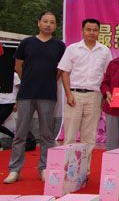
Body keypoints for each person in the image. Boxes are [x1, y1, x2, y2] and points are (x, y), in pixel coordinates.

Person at [4, 11, 66, 184]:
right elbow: (18, 65)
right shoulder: (27, 42)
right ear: (38, 23)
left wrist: (49, 81)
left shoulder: (59, 46)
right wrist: (27, 80)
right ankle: (14, 170)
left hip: (48, 94)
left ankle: (44, 168)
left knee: (47, 135)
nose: (48, 24)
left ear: (56, 26)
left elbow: (61, 69)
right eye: (45, 21)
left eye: (52, 22)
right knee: (20, 134)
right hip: (26, 94)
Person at [58, 18, 111, 173]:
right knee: (70, 135)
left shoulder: (104, 51)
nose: (92, 33)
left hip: (95, 96)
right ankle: (67, 171)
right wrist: (68, 94)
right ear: (82, 31)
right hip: (74, 95)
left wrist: (104, 96)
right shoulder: (72, 49)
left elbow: (108, 75)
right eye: (88, 29)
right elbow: (64, 72)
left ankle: (84, 171)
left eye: (95, 30)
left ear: (99, 32)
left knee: (89, 137)